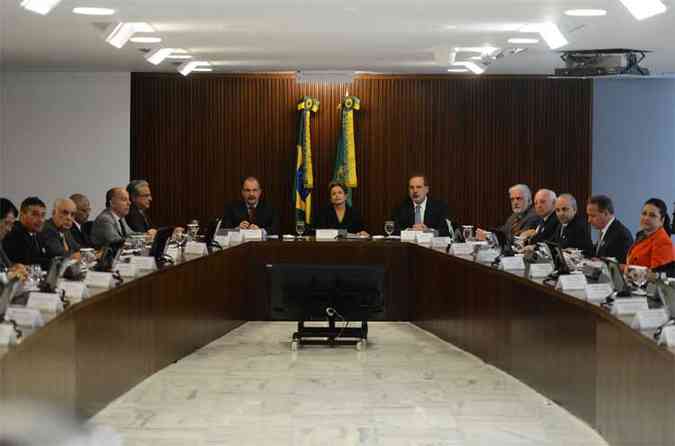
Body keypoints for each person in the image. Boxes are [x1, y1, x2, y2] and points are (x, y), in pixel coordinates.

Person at [626, 198, 674, 272]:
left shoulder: (663, 241)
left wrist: (624, 269)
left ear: (662, 220)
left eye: (652, 215)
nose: (646, 218)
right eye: (644, 213)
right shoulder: (641, 235)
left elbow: (657, 277)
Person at [2, 197, 50, 269]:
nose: (40, 220)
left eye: (43, 215)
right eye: (35, 214)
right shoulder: (12, 234)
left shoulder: (40, 234)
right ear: (22, 216)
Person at [586, 195, 633, 263]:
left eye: (593, 216)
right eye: (588, 215)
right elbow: (598, 255)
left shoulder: (621, 235)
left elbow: (621, 266)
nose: (589, 220)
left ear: (606, 213)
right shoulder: (604, 230)